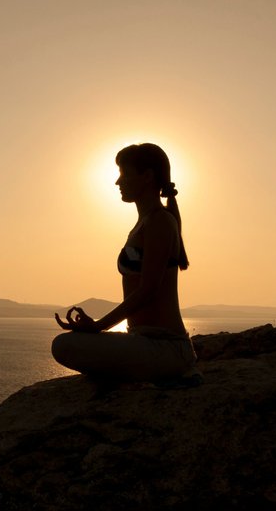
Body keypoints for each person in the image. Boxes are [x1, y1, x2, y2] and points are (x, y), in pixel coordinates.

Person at [52, 142, 198, 382]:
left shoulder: (160, 222)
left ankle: (169, 373)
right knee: (64, 345)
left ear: (147, 176)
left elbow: (148, 290)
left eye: (124, 174)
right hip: (142, 340)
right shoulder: (144, 224)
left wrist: (99, 326)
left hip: (166, 347)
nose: (118, 182)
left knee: (63, 346)